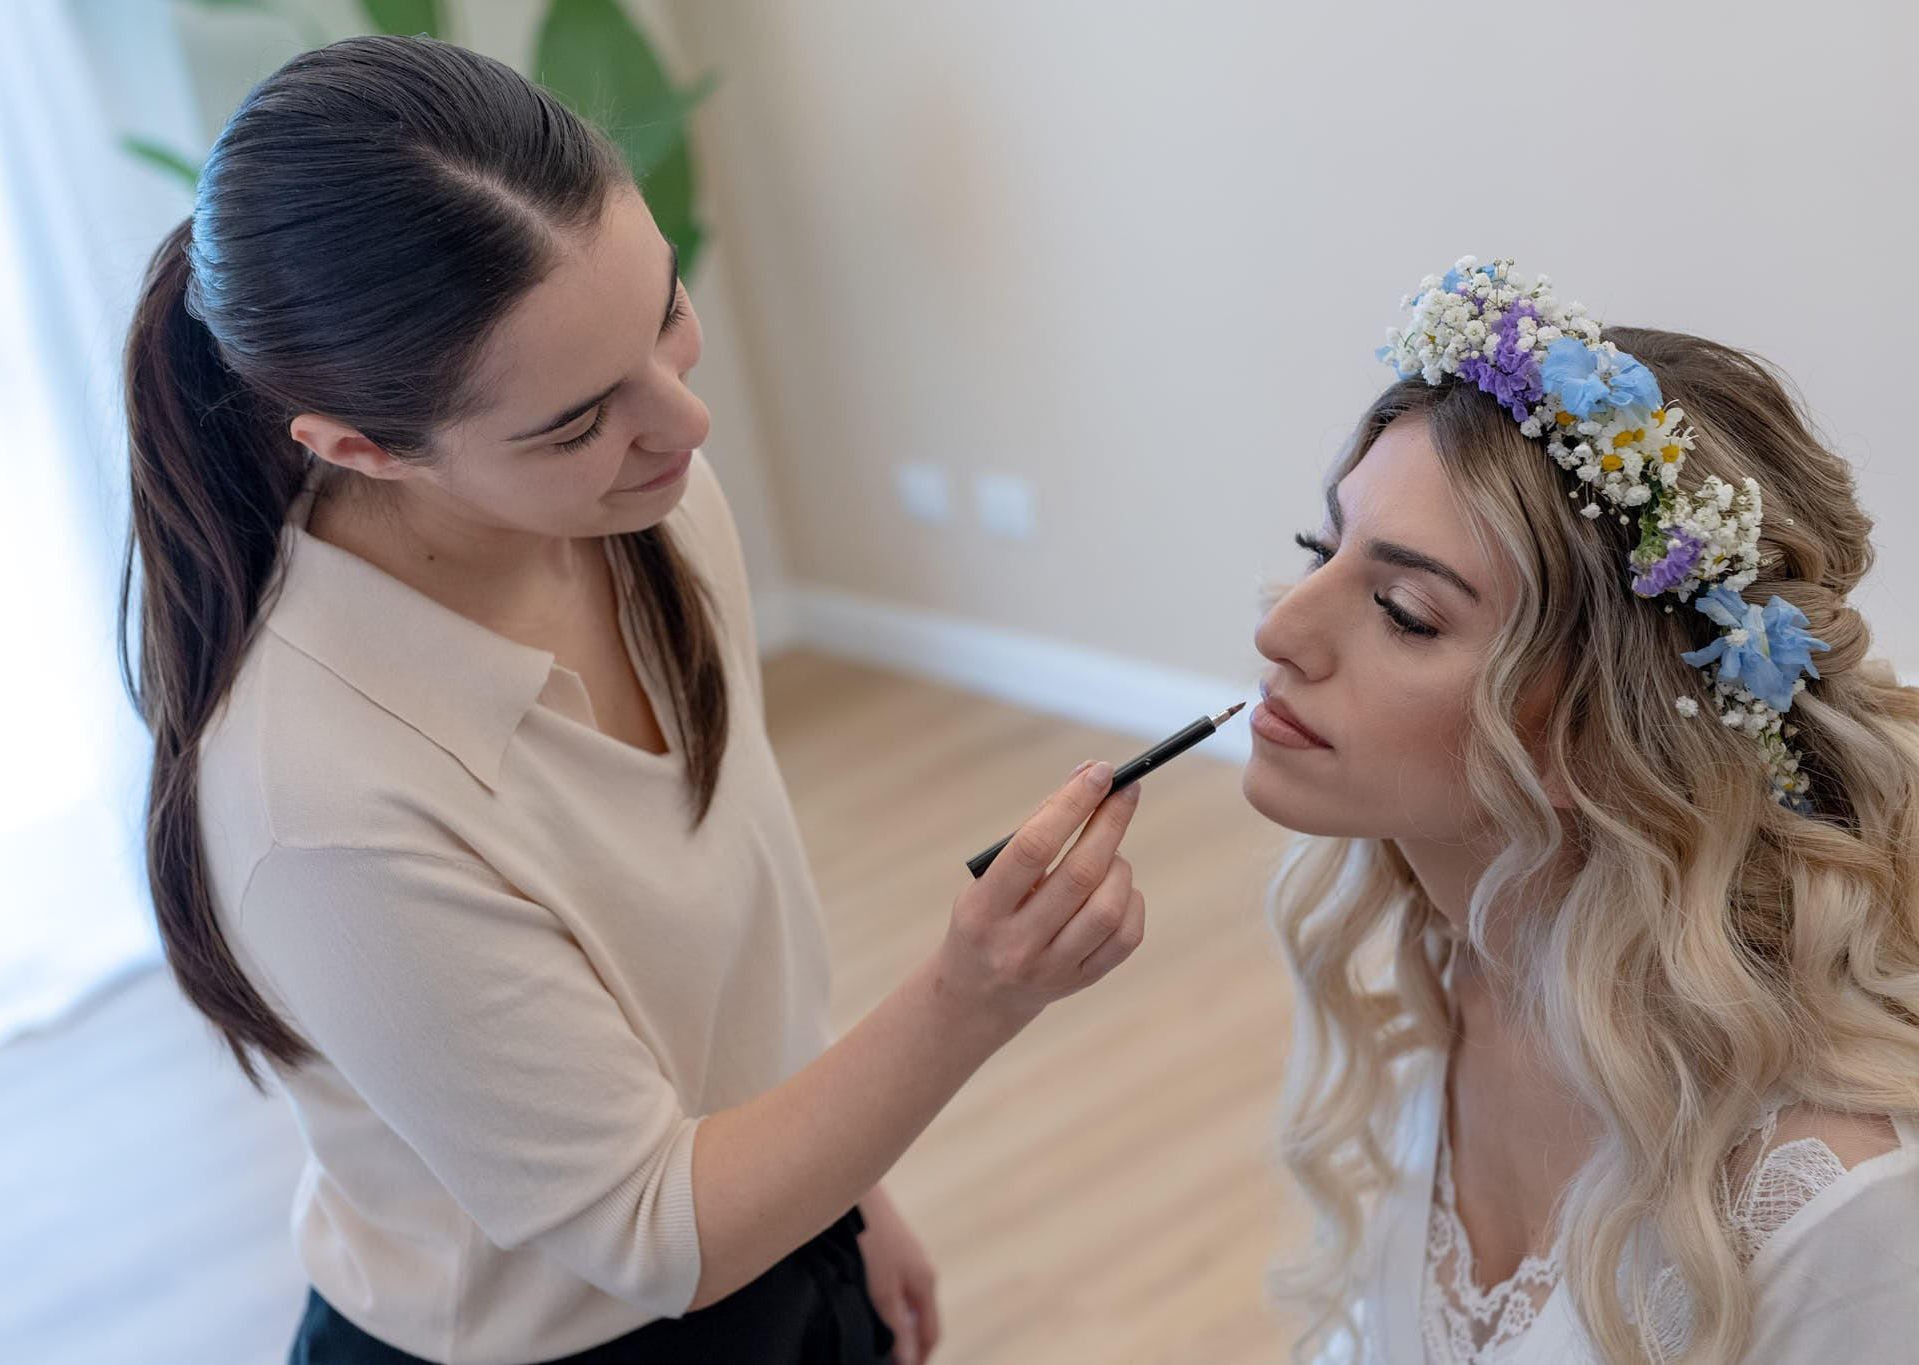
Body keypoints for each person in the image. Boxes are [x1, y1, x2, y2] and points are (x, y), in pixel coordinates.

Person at [119, 35, 1147, 1365]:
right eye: (577, 419)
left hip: (766, 1237)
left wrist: (847, 1187)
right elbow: (650, 1231)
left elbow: (718, 986)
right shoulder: (321, 803)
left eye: (665, 310)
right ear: (359, 445)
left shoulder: (650, 512)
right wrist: (973, 992)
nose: (684, 425)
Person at [1243, 257, 1919, 1363]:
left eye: (1402, 612)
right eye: (1320, 550)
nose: (1281, 629)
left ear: (1592, 733)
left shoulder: (1834, 1206)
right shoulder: (1460, 962)